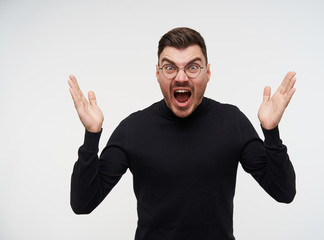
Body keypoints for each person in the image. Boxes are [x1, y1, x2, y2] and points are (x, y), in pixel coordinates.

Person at [68, 27, 296, 240]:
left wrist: (271, 132)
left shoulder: (232, 121)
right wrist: (91, 135)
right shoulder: (133, 129)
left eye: (193, 67)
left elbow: (283, 192)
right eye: (170, 67)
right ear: (157, 74)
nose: (181, 77)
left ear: (208, 73)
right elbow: (83, 203)